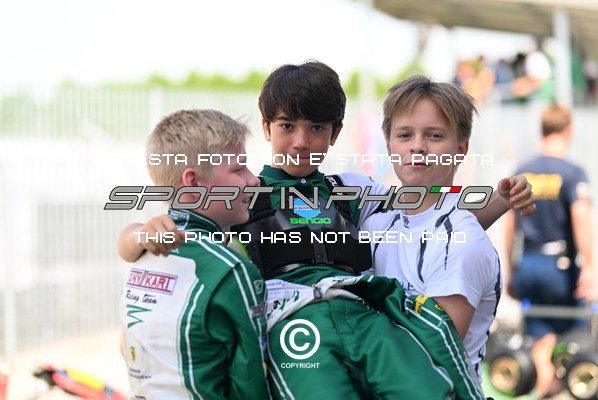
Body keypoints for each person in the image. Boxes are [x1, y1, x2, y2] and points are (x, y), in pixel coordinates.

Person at [118, 61, 536, 399]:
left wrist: (501, 202)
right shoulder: (243, 194)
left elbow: (429, 217)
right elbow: (170, 233)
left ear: (335, 134)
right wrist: (141, 234)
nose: (301, 141)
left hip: (360, 312)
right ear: (266, 128)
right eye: (287, 126)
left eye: (317, 127)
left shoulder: (349, 190)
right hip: (294, 328)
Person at [119, 109, 270, 399]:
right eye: (239, 169)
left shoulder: (143, 250)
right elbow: (251, 382)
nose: (254, 180)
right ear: (194, 182)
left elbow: (124, 348)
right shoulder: (232, 270)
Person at [363, 75, 501, 383]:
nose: (417, 147)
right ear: (389, 146)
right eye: (405, 135)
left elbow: (429, 357)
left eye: (434, 135)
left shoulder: (463, 242)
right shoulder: (373, 223)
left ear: (461, 149)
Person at [504, 104, 597, 398]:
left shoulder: (521, 172)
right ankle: (560, 388)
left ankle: (545, 390)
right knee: (577, 342)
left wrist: (511, 269)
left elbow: (509, 224)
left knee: (540, 340)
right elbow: (581, 217)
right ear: (569, 131)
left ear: (541, 130)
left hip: (529, 264)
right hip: (561, 268)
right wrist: (590, 265)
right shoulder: (572, 173)